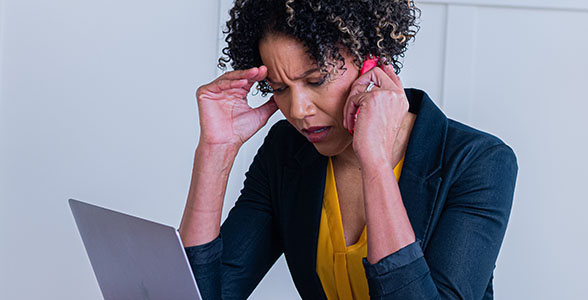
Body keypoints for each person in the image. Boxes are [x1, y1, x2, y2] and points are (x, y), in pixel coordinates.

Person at [178, 0, 518, 299]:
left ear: (371, 60)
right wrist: (214, 151)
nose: (297, 110)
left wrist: (375, 162)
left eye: (316, 80)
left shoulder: (479, 163)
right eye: (280, 88)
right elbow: (205, 294)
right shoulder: (286, 152)